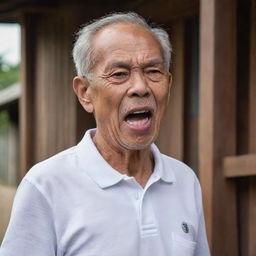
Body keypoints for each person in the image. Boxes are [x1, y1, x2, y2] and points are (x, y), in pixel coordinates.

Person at [0, 12, 210, 256]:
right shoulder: (47, 185)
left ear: (169, 84)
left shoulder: (184, 180)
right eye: (119, 74)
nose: (141, 87)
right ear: (85, 93)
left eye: (153, 71)